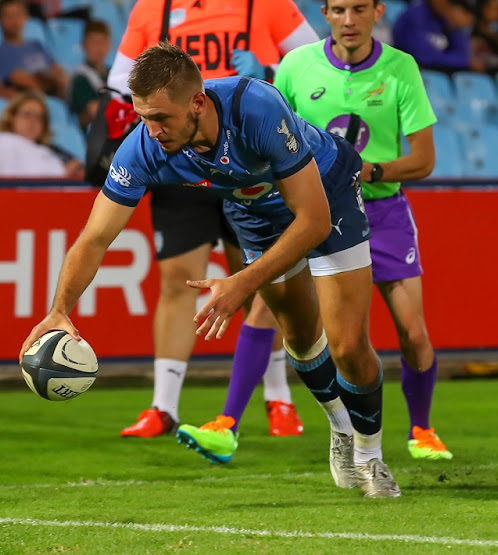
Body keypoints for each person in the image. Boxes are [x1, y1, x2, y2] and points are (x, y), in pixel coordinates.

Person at [20, 43, 401, 498]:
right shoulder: (143, 147)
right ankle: (340, 429)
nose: (153, 130)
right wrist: (60, 308)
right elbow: (95, 237)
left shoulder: (254, 106)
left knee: (348, 344)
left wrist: (242, 280)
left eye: (161, 117)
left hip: (325, 192)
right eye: (143, 117)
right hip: (255, 212)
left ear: (198, 101)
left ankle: (369, 454)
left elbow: (313, 221)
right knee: (300, 337)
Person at [108, 0, 320, 440]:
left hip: (245, 151)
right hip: (177, 156)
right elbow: (118, 75)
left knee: (261, 283)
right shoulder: (153, 8)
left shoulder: (266, 4)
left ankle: (278, 397)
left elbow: (309, 62)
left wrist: (269, 67)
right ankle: (163, 407)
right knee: (176, 281)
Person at [272, 0, 451, 461]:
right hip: (321, 214)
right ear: (325, 14)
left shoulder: (399, 68)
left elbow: (425, 159)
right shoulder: (295, 66)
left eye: (358, 9)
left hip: (384, 212)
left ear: (377, 11)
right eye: (338, 10)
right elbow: (273, 138)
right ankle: (235, 421)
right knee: (312, 329)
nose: (348, 21)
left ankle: (422, 429)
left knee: (412, 333)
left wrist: (366, 172)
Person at [0, 89, 84, 179]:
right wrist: (64, 172)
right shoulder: (2, 142)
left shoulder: (47, 149)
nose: (33, 121)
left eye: (39, 117)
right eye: (27, 114)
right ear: (12, 117)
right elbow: (7, 181)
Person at [0, 0, 68, 97]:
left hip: (55, 93)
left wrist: (60, 81)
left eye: (18, 14)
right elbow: (20, 79)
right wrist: (50, 83)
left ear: (26, 17)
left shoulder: (36, 45)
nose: (14, 20)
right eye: (8, 16)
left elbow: (57, 70)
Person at [392, 0, 474, 74]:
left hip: (440, 74)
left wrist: (456, 28)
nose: (447, 3)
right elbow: (422, 57)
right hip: (410, 73)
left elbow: (463, 58)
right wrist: (449, 59)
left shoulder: (445, 19)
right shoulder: (413, 17)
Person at [68, 19, 111, 131]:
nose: (98, 47)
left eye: (102, 42)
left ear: (109, 45)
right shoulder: (80, 77)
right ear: (84, 44)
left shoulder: (113, 72)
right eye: (93, 42)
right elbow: (94, 111)